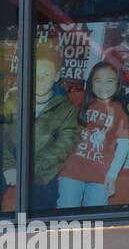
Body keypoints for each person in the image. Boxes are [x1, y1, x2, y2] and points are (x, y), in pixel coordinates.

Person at [2, 45, 79, 211]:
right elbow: (4, 137)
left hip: (43, 172)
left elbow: (65, 144)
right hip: (11, 164)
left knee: (45, 204)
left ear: (56, 76)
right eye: (36, 75)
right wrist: (9, 166)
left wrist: (32, 171)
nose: (41, 80)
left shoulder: (66, 108)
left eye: (46, 75)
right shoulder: (13, 102)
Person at [58, 61, 129, 208]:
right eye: (98, 81)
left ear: (118, 84)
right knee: (65, 216)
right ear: (91, 83)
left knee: (95, 221)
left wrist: (112, 174)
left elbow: (123, 147)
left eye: (109, 81)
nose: (103, 86)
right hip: (71, 172)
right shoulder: (80, 100)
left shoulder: (119, 112)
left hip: (100, 177)